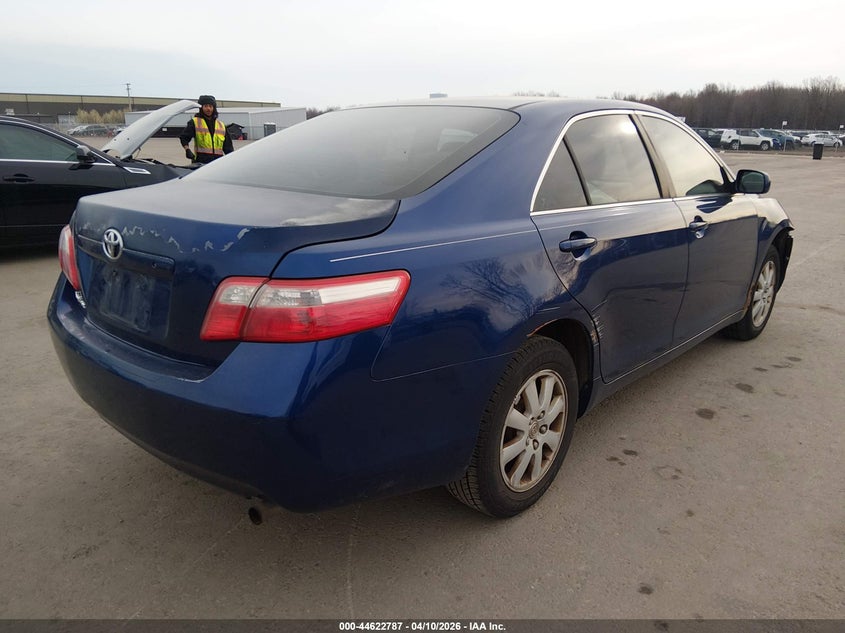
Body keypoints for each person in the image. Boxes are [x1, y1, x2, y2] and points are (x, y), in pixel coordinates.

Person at [180, 95, 234, 163]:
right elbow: (184, 137)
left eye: (210, 106)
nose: (208, 108)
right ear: (201, 107)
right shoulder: (195, 122)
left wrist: (232, 160)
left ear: (214, 108)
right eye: (205, 106)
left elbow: (228, 147)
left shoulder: (221, 125)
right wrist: (187, 150)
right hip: (200, 162)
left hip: (218, 162)